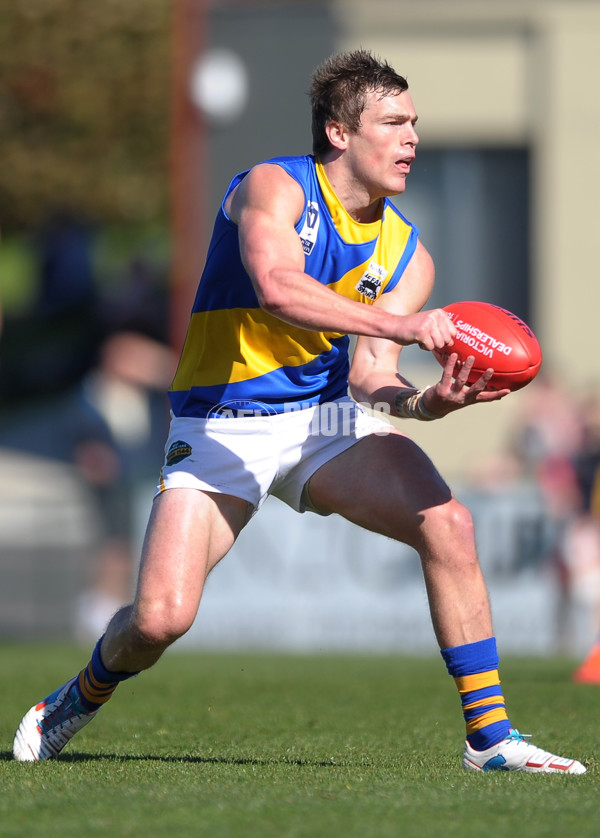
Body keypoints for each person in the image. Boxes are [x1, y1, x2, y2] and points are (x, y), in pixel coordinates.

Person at [13, 49, 585, 773]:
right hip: (220, 422)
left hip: (323, 422)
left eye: (415, 123)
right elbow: (278, 285)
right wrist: (406, 329)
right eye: (394, 122)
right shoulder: (275, 186)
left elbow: (372, 380)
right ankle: (76, 697)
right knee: (159, 620)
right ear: (340, 132)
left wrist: (424, 402)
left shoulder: (409, 256)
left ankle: (491, 739)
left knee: (449, 522)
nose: (412, 138)